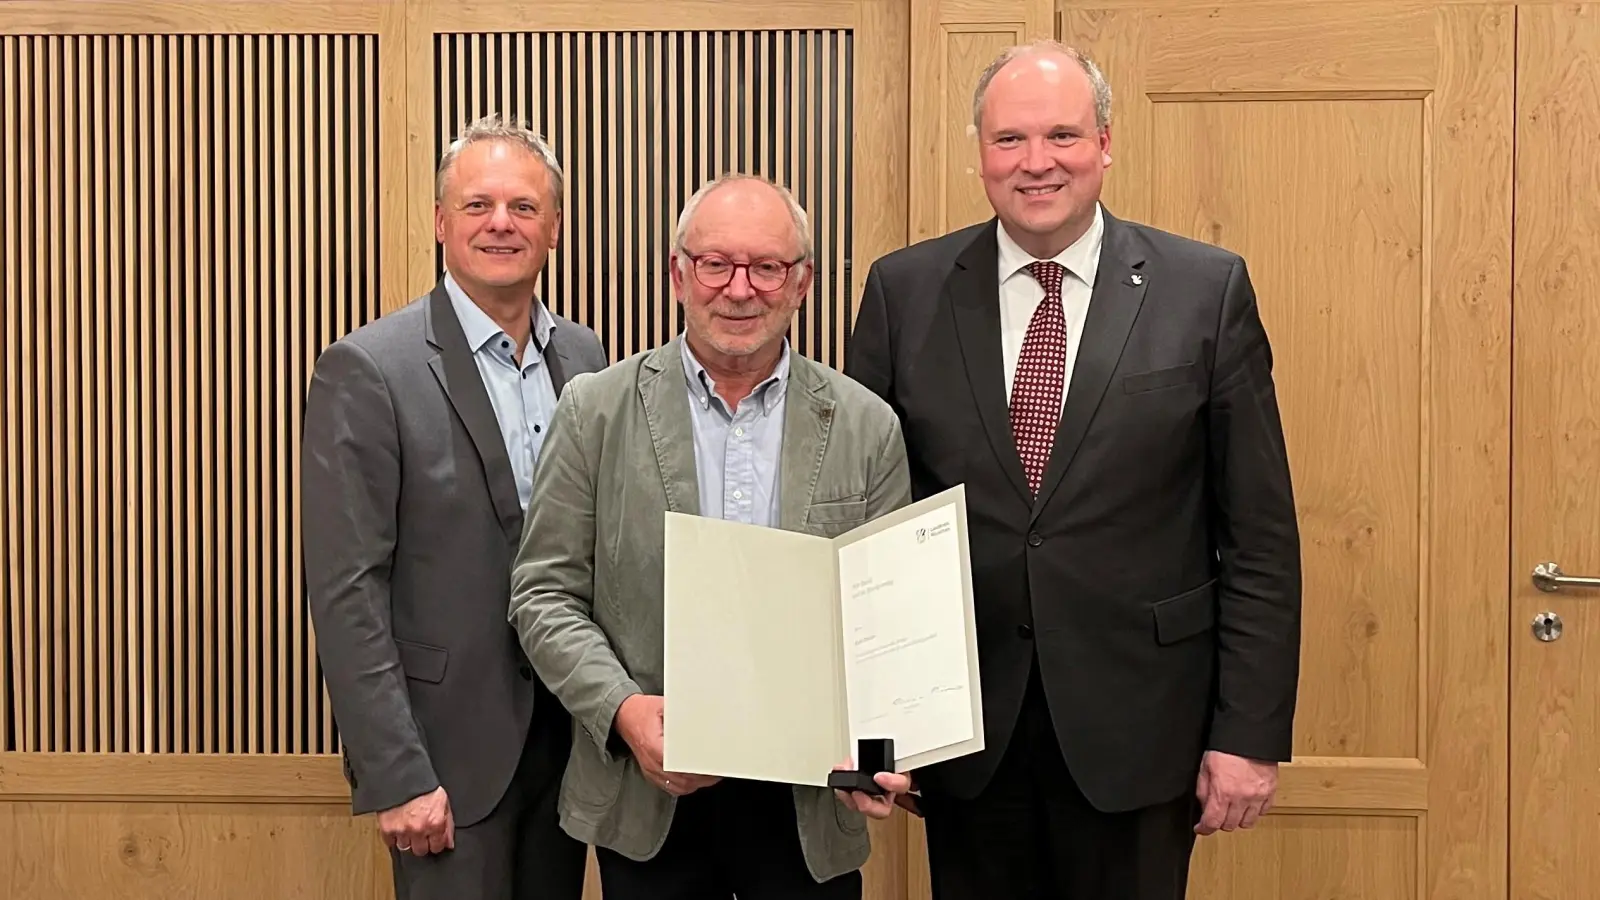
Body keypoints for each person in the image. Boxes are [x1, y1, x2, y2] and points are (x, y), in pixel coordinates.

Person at [845, 41, 1302, 899]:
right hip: (965, 734)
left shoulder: (1204, 290)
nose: (1036, 162)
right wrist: (876, 734)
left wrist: (1247, 734)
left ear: (1105, 142)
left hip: (1143, 730)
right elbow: (871, 532)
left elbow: (1260, 538)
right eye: (1009, 140)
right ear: (979, 152)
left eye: (1061, 135)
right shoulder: (904, 292)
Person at [507, 173, 912, 900]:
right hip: (649, 794)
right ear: (678, 274)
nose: (739, 288)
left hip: (808, 804)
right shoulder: (595, 412)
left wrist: (879, 755)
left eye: (767, 267)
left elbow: (886, 621)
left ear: (802, 283)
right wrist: (625, 712)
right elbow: (542, 594)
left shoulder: (865, 426)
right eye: (715, 263)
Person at [302, 113, 608, 900]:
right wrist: (395, 772)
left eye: (523, 207)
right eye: (477, 206)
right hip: (444, 765)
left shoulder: (587, 359)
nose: (500, 223)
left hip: (568, 747)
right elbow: (345, 590)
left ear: (556, 229)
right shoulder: (368, 369)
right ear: (441, 222)